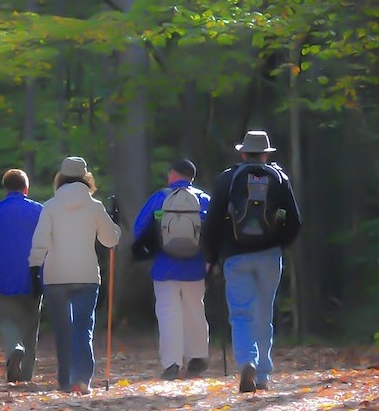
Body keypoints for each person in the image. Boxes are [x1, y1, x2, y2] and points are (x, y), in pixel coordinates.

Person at [201, 131, 302, 393]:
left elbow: (212, 222)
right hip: (269, 255)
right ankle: (263, 376)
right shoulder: (279, 178)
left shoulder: (227, 179)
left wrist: (210, 257)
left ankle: (247, 360)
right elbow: (294, 221)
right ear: (266, 154)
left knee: (241, 313)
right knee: (264, 314)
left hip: (235, 256)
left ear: (243, 153)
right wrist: (279, 243)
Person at [29, 156, 121, 395]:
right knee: (83, 328)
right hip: (86, 276)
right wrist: (115, 224)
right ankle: (81, 379)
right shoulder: (95, 206)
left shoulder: (50, 206)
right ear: (86, 178)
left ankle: (64, 380)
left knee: (63, 329)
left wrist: (34, 266)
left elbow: (40, 241)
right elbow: (110, 240)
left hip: (55, 276)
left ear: (60, 177)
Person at [132, 159, 212, 380]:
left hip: (164, 267)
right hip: (195, 267)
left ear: (173, 175)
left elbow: (139, 229)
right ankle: (197, 356)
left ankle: (172, 363)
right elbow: (215, 231)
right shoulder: (203, 199)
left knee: (168, 314)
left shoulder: (160, 198)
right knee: (195, 310)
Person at [0, 169, 44, 383]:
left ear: (5, 189)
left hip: (3, 277)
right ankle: (26, 374)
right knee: (31, 325)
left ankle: (14, 350)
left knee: (8, 321)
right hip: (33, 277)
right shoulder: (38, 211)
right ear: (26, 189)